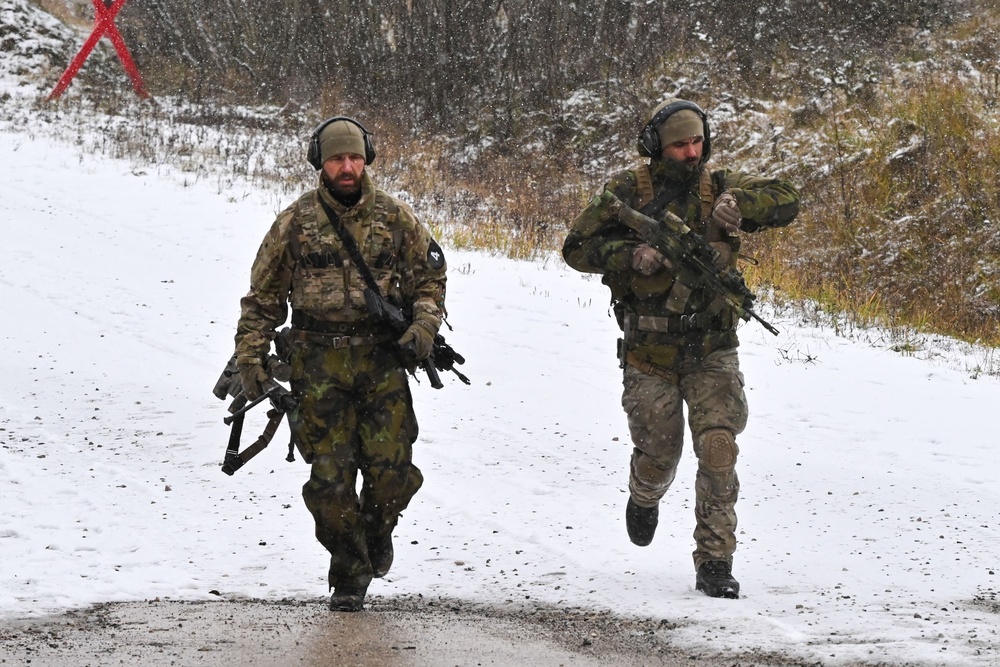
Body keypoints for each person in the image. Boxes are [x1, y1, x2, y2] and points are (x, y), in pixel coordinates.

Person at [562, 98, 798, 599]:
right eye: (678, 145)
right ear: (656, 147)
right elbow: (576, 248)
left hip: (713, 348)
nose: (690, 154)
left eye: (696, 143)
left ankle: (715, 558)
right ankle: (644, 494)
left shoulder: (722, 186)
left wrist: (745, 208)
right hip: (651, 354)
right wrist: (631, 255)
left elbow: (788, 198)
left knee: (718, 450)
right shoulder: (628, 191)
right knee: (659, 455)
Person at [233, 116, 447, 611]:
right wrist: (252, 358)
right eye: (336, 158)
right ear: (320, 163)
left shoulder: (396, 219)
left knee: (391, 474)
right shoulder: (295, 223)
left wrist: (423, 328)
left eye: (353, 157)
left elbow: (431, 282)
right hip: (318, 366)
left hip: (380, 363)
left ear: (367, 157)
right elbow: (262, 299)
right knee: (330, 481)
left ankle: (377, 532)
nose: (346, 167)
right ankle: (349, 573)